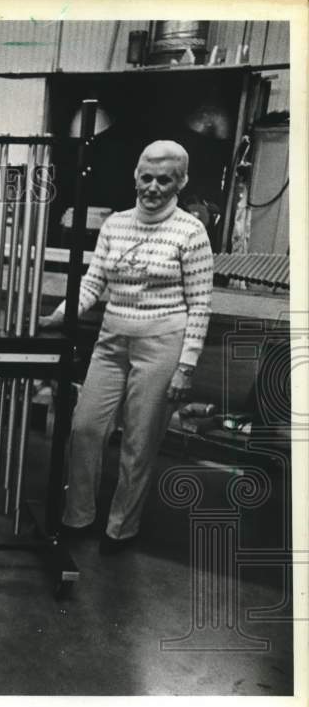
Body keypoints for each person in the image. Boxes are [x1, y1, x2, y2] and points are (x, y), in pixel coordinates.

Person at [39, 140, 214, 553]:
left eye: (164, 180)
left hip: (162, 343)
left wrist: (186, 365)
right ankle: (77, 516)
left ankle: (121, 528)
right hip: (112, 340)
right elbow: (93, 283)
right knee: (84, 429)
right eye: (147, 177)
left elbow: (202, 303)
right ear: (135, 176)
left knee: (139, 441)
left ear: (181, 182)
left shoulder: (191, 232)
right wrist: (60, 315)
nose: (153, 187)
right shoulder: (115, 225)